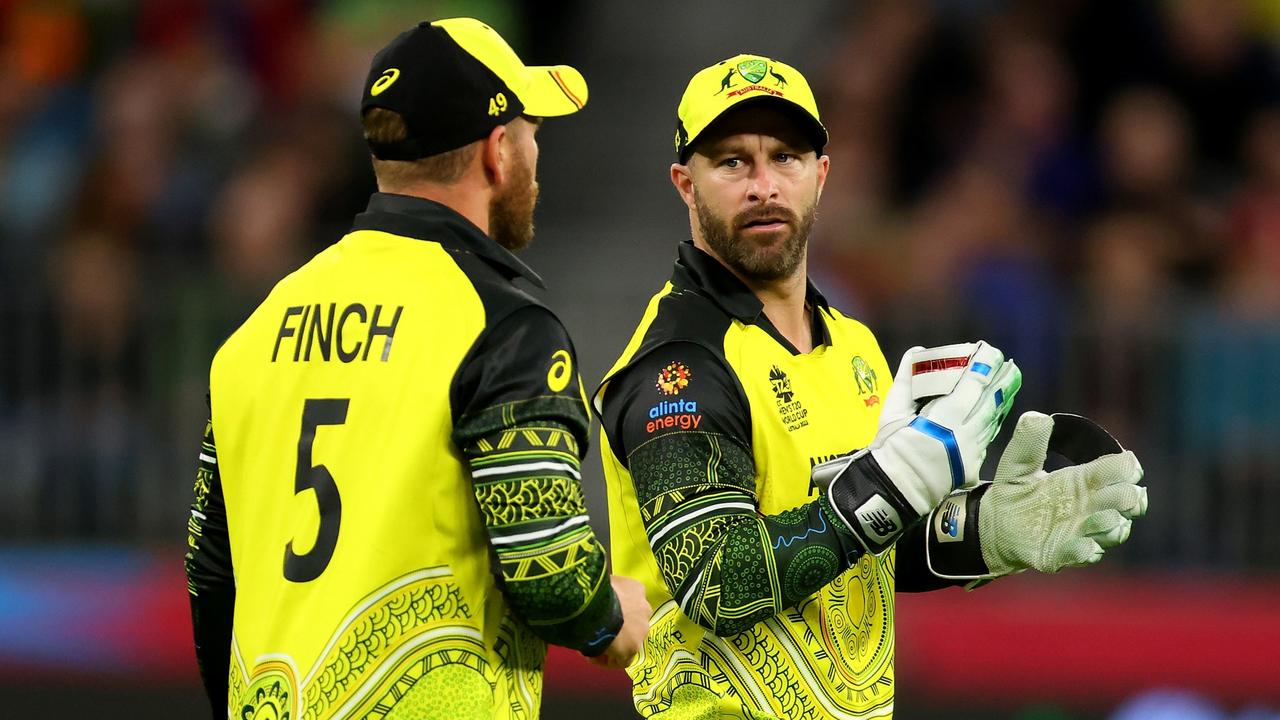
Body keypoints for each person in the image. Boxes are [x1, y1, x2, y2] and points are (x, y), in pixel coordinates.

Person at [594, 54, 1149, 719]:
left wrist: (988, 530)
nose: (763, 185)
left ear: (821, 175)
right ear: (686, 184)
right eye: (732, 162)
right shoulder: (675, 366)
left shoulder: (853, 345)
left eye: (787, 158)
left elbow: (859, 549)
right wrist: (890, 485)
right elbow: (718, 580)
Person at [184, 18, 650, 720]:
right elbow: (547, 573)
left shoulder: (258, 328)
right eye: (531, 134)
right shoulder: (505, 329)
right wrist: (610, 616)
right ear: (497, 152)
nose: (534, 154)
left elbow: (210, 570)